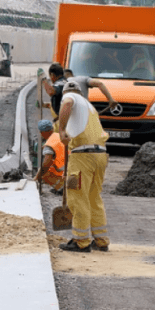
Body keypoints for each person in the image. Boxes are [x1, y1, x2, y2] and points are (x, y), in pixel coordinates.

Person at [57, 78, 110, 253]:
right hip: (100, 155)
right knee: (94, 197)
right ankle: (101, 240)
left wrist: (62, 130)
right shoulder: (89, 106)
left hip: (82, 157)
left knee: (77, 197)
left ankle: (81, 241)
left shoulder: (70, 97)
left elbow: (67, 103)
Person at [36, 119, 66, 195]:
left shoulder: (50, 144)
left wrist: (38, 177)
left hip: (64, 173)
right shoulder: (59, 136)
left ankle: (61, 187)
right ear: (52, 129)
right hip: (74, 170)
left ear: (42, 132)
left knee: (44, 172)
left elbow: (46, 164)